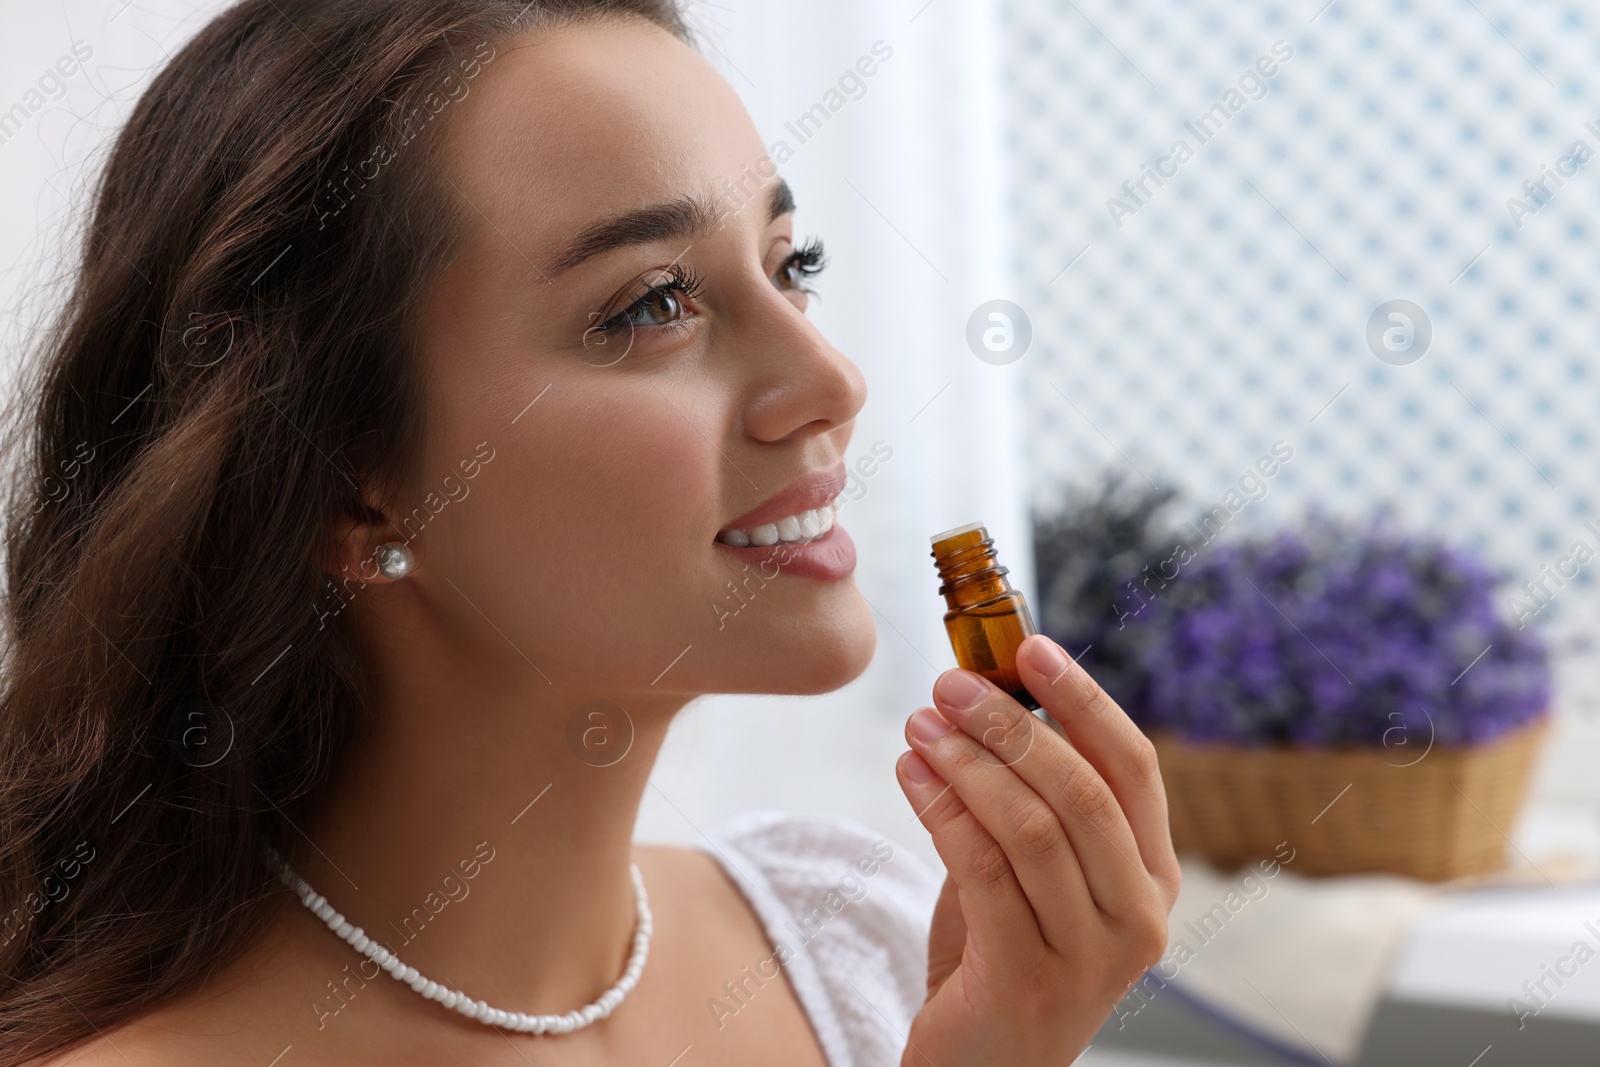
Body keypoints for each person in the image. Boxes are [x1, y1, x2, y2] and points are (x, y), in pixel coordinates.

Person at [0, 2, 1179, 1064]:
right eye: (652, 303)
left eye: (789, 263)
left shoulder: (857, 953)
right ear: (349, 487)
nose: (829, 378)